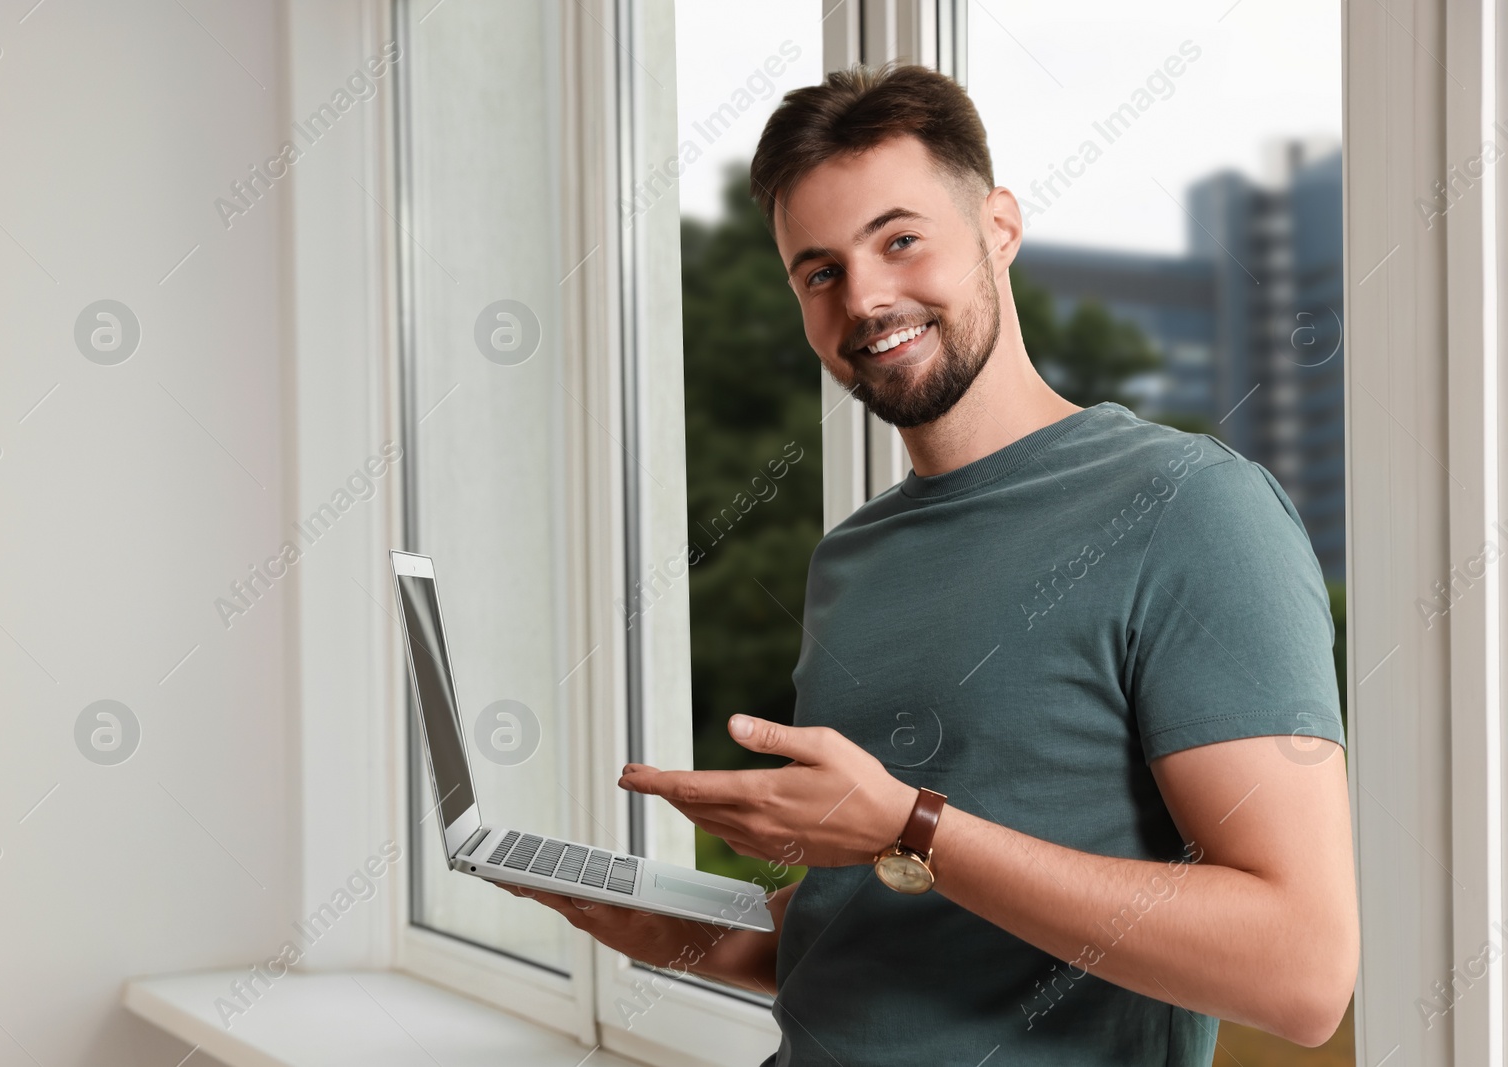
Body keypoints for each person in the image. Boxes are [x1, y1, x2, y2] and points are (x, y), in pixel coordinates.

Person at [497, 62, 1357, 1065]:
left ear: (997, 226)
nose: (864, 298)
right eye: (818, 271)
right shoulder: (853, 558)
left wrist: (910, 826)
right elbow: (890, 939)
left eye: (898, 239)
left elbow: (1299, 972)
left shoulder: (1194, 509)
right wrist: (678, 931)